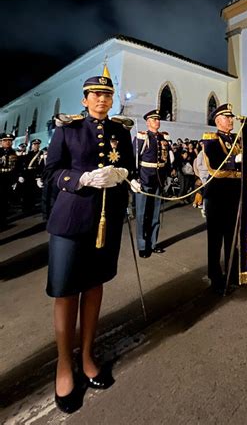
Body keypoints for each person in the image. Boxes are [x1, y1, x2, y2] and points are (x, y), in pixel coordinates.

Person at [43, 66, 134, 414]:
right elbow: (51, 172)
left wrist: (123, 173)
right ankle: (64, 365)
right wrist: (81, 179)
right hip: (70, 220)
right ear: (84, 100)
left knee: (94, 287)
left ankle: (88, 355)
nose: (102, 99)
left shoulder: (119, 132)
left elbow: (128, 167)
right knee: (67, 292)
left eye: (107, 94)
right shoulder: (69, 130)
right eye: (95, 94)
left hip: (105, 220)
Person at [202, 103, 242, 294]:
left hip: (234, 192)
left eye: (231, 117)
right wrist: (236, 161)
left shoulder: (236, 139)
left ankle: (233, 270)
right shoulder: (211, 139)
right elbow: (216, 162)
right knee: (216, 237)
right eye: (227, 118)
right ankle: (215, 275)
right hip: (217, 193)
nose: (231, 120)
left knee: (232, 235)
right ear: (218, 121)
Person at [130, 110, 171, 258]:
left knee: (155, 215)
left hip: (158, 180)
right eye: (153, 120)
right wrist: (134, 178)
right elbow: (134, 159)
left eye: (158, 119)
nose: (157, 122)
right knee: (141, 214)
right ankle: (142, 245)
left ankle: (153, 243)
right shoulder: (142, 137)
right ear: (147, 122)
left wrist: (167, 176)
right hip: (145, 179)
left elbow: (166, 160)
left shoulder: (163, 138)